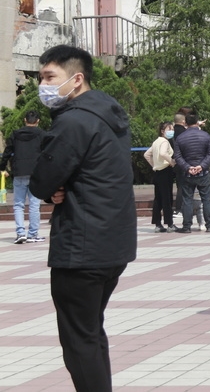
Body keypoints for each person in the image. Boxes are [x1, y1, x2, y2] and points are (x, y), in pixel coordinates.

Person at [29, 45, 136, 392]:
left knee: (78, 340)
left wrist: (51, 188)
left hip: (83, 245)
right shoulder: (109, 114)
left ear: (76, 79)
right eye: (41, 78)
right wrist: (56, 188)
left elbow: (41, 179)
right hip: (112, 241)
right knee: (90, 331)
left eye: (49, 78)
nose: (42, 86)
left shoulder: (75, 120)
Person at [2, 110, 45, 243]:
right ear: (37, 121)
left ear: (25, 120)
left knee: (18, 204)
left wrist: (2, 167)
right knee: (34, 204)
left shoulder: (15, 134)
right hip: (35, 173)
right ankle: (33, 234)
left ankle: (20, 233)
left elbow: (7, 152)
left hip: (19, 172)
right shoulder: (42, 135)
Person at [173, 112, 210, 233]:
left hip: (187, 174)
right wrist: (202, 166)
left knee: (187, 200)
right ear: (197, 121)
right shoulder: (205, 136)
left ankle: (186, 226)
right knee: (206, 199)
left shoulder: (180, 138)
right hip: (203, 173)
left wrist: (187, 167)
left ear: (185, 123)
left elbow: (177, 156)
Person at [143, 121, 177, 232]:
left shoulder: (156, 141)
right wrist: (171, 161)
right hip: (165, 172)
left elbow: (147, 154)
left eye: (172, 129)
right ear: (162, 131)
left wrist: (154, 165)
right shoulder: (165, 142)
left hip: (157, 173)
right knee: (167, 198)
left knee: (158, 199)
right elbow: (163, 153)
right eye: (169, 129)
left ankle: (158, 224)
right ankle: (170, 224)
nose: (171, 131)